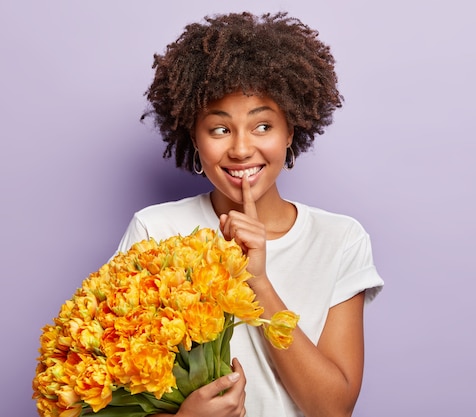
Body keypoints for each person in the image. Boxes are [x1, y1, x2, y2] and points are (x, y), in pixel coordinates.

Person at [116, 11, 383, 417]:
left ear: (290, 132)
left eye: (262, 126)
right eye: (220, 129)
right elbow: (111, 386)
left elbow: (333, 409)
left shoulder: (341, 239)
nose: (241, 149)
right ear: (194, 138)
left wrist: (257, 280)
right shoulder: (156, 229)